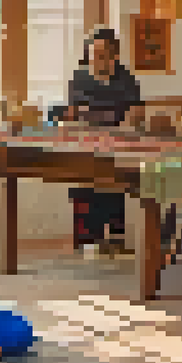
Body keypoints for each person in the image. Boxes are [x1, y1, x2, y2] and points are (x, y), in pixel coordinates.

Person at [61, 28, 144, 256]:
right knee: (85, 190)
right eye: (92, 54)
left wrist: (118, 125)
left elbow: (135, 113)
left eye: (101, 54)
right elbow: (75, 113)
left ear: (113, 55)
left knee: (114, 188)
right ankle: (88, 241)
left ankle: (116, 239)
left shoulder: (126, 79)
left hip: (117, 145)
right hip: (85, 145)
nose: (95, 59)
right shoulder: (79, 78)